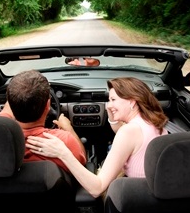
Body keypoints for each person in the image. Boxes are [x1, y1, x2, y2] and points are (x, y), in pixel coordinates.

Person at [26, 77, 169, 198]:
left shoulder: (129, 131)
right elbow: (126, 136)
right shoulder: (152, 122)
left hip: (135, 199)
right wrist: (112, 116)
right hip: (152, 192)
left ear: (132, 102)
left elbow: (97, 189)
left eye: (113, 99)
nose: (108, 105)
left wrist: (62, 152)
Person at [0, 69, 86, 173]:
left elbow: (7, 110)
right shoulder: (63, 141)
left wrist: (16, 96)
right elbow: (82, 163)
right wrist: (68, 128)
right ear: (48, 105)